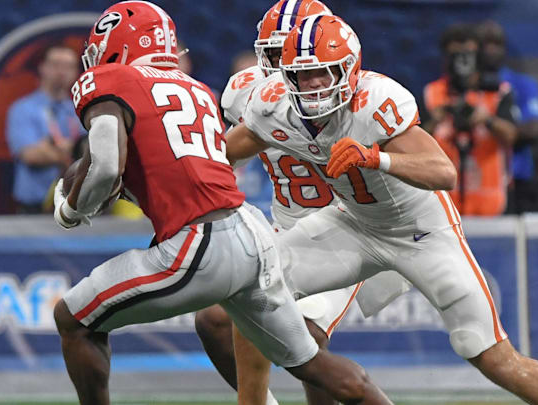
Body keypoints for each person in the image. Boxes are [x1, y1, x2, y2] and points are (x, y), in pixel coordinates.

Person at [225, 14, 538, 404]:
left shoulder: (375, 100)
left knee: (489, 353)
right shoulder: (273, 107)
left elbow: (443, 172)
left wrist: (376, 159)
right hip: (353, 223)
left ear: (348, 69)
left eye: (323, 74)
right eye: (300, 75)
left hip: (420, 231)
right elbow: (222, 153)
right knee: (254, 284)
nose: (311, 86)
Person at [50, 3, 391, 405]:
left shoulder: (110, 79)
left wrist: (71, 209)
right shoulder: (195, 88)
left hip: (198, 241)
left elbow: (107, 166)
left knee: (73, 319)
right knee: (309, 362)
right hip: (250, 230)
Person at [195, 3, 369, 405]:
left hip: (346, 229)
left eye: (289, 52)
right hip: (284, 224)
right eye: (273, 53)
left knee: (303, 338)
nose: (282, 64)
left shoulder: (359, 94)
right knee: (214, 321)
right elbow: (222, 159)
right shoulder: (246, 91)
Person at [423, 23, 518, 216]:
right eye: (455, 55)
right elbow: (414, 142)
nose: (462, 62)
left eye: (468, 54)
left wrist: (487, 120)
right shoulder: (433, 93)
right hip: (445, 206)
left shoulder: (498, 92)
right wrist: (438, 119)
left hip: (491, 204)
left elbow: (511, 136)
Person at [477, 20, 538, 214]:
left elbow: (533, 130)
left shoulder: (522, 85)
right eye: (485, 44)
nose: (490, 50)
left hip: (515, 182)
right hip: (473, 181)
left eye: (496, 44)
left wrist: (489, 122)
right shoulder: (463, 89)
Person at [6, 44, 84, 213]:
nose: (61, 72)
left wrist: (50, 150)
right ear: (42, 67)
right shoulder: (22, 109)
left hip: (76, 205)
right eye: (56, 65)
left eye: (68, 66)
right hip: (35, 208)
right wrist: (74, 151)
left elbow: (95, 152)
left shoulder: (80, 111)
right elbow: (30, 155)